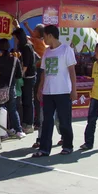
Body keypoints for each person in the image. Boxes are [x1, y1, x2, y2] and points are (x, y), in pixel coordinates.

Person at [33, 25, 77, 157]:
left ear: (50, 36)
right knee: (47, 121)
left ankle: (68, 145)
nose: (43, 39)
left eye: (44, 36)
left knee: (64, 120)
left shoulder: (66, 50)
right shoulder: (47, 52)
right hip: (48, 92)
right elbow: (44, 72)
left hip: (63, 91)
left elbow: (72, 71)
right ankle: (44, 148)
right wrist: (40, 87)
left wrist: (74, 90)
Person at [0, 39, 26, 139]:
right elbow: (19, 75)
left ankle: (2, 131)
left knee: (0, 110)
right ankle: (18, 130)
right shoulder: (15, 60)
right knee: (12, 109)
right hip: (11, 87)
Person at [12, 27, 36, 134]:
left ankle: (29, 124)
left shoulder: (26, 47)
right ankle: (25, 123)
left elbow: (25, 65)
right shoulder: (22, 48)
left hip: (29, 77)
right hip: (26, 77)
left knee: (27, 101)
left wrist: (19, 76)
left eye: (15, 38)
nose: (14, 41)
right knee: (25, 101)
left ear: (19, 38)